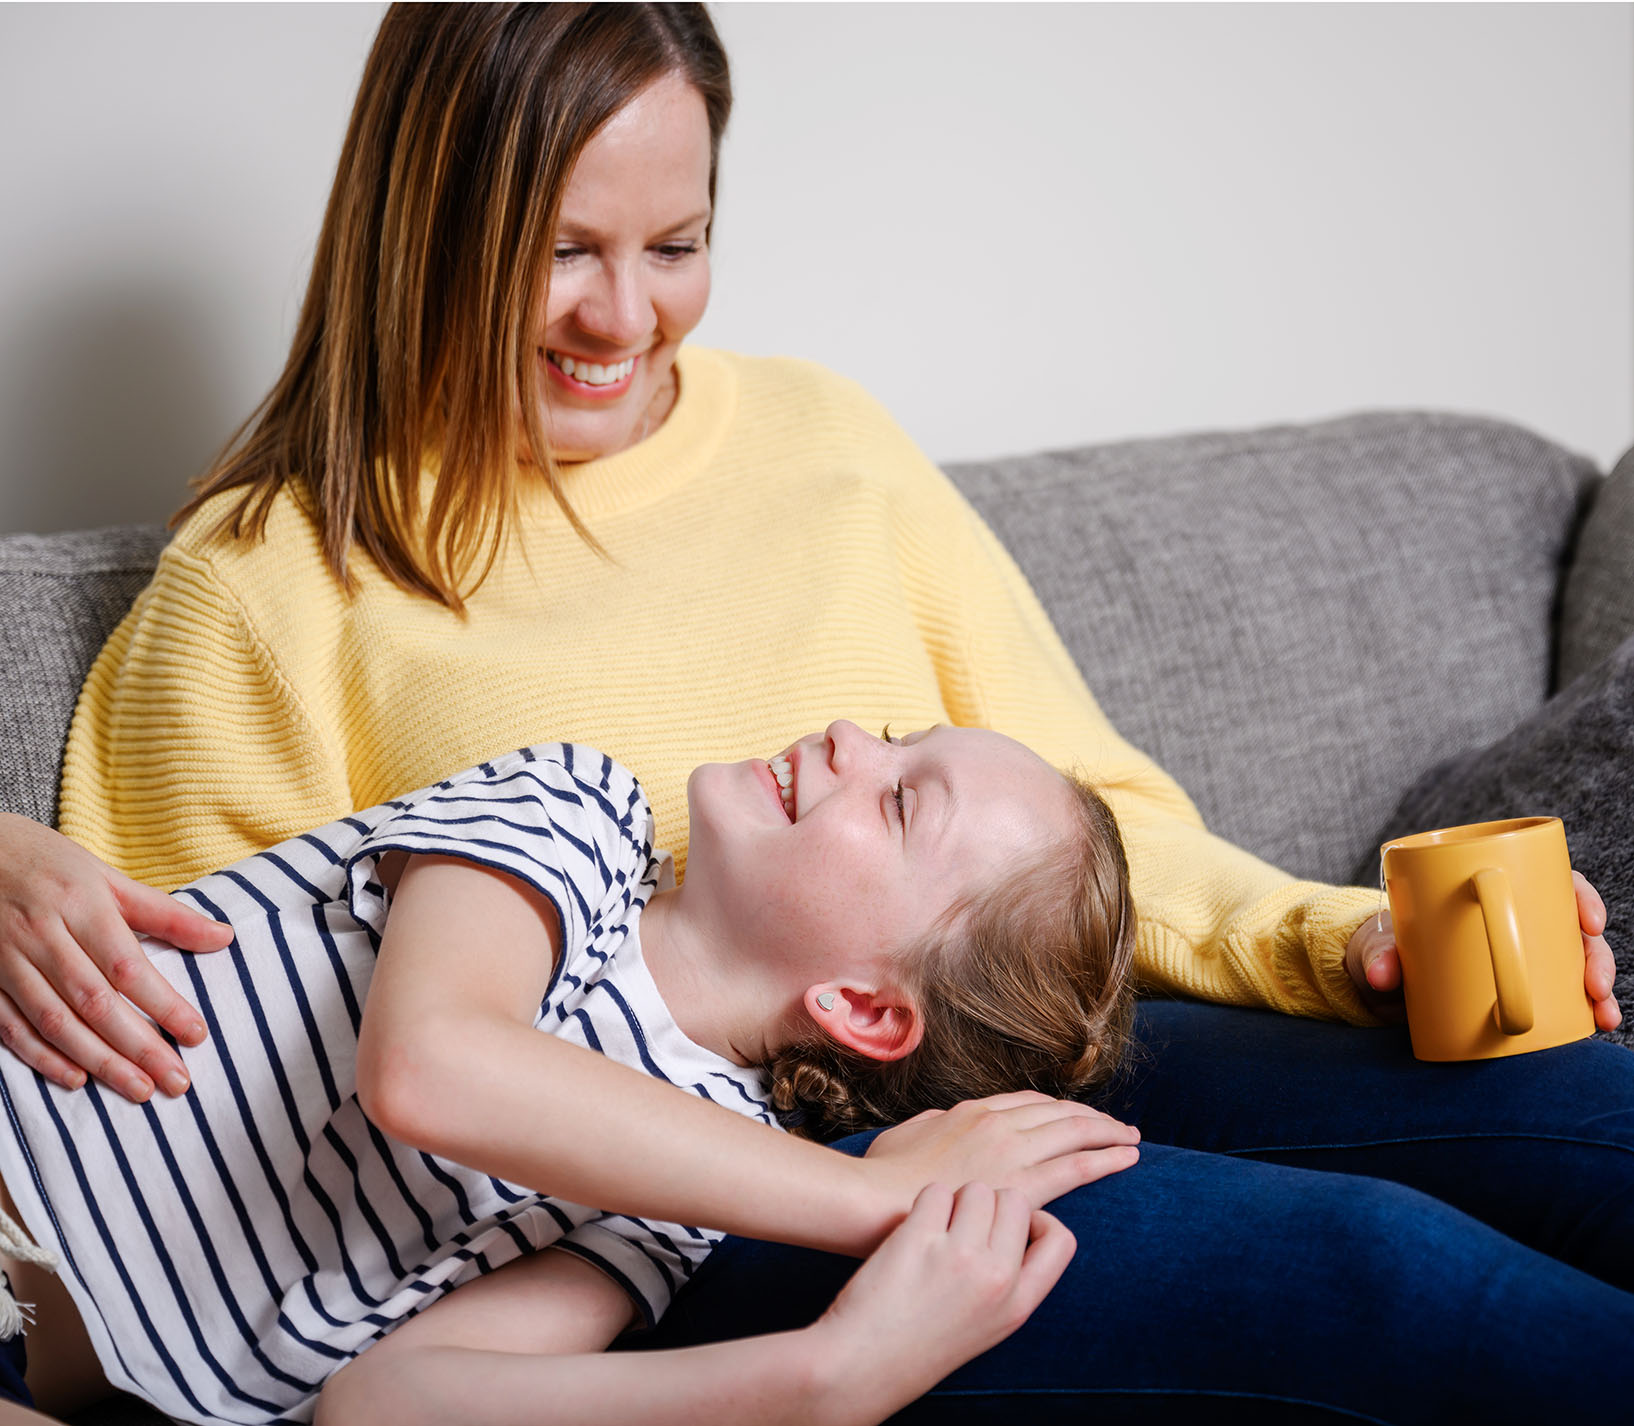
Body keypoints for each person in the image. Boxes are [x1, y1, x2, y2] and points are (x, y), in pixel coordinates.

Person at [0, 4, 1627, 1420]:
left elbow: (1070, 812)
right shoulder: (273, 586)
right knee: (1385, 1279)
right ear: (423, 221)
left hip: (973, 1008)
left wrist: (1330, 941)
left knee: (1565, 1119)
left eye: (673, 244)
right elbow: (200, 1056)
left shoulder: (820, 441)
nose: (620, 318)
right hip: (700, 1161)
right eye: (560, 248)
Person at [0, 720, 1142, 1424]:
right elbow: (431, 1062)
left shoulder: (685, 1212)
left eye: (900, 797)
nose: (850, 734)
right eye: (898, 729)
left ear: (861, 1008)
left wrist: (824, 1379)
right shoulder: (575, 816)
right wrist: (866, 1198)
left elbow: (387, 1403)